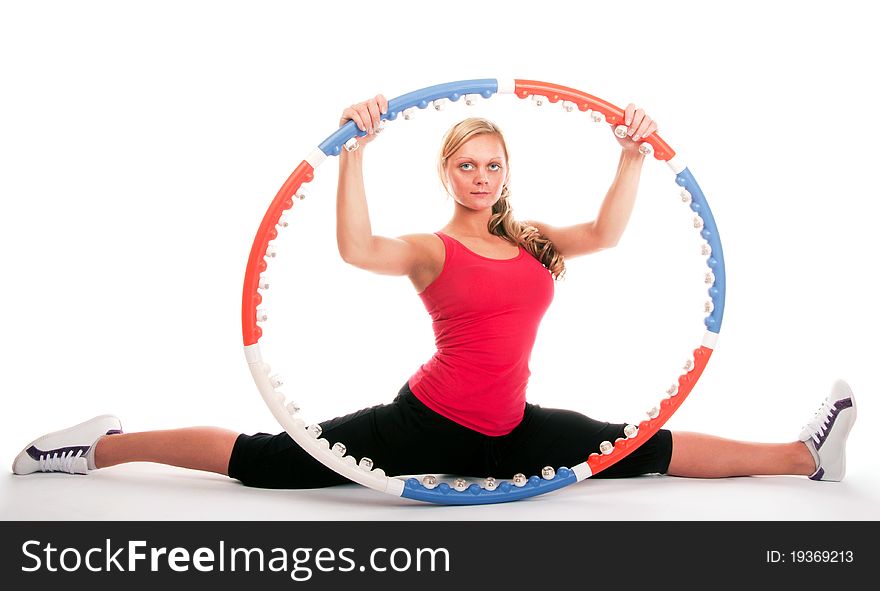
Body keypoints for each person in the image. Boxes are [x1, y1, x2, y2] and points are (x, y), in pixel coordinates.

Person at [12, 95, 857, 489]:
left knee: (639, 446)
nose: (482, 176)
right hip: (423, 423)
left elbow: (604, 235)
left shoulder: (530, 239)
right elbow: (354, 247)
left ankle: (803, 456)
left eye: (494, 165)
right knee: (265, 462)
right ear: (446, 171)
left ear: (505, 174)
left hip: (512, 430)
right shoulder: (430, 247)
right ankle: (93, 447)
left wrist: (633, 153)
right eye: (467, 164)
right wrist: (353, 150)